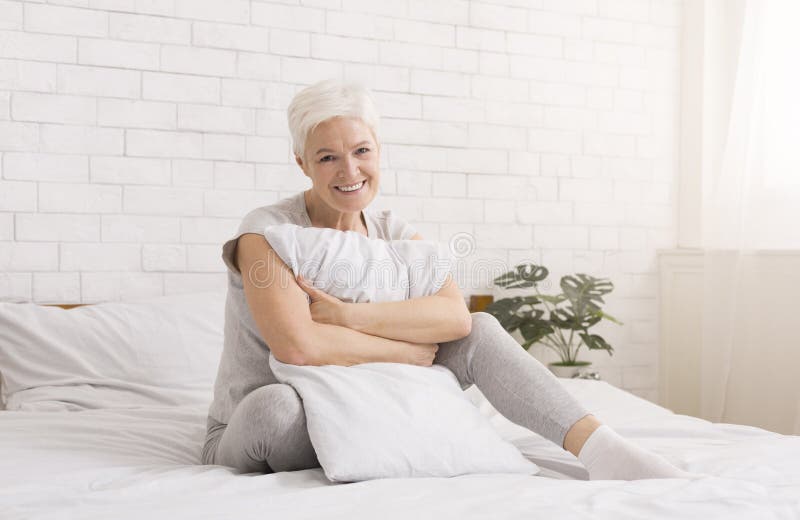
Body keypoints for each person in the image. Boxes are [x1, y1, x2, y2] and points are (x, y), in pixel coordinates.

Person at [201, 79, 695, 481]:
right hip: (277, 415)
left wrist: (348, 315)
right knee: (275, 408)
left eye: (361, 150)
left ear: (379, 152)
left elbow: (454, 318)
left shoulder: (393, 231)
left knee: (481, 329)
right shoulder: (266, 233)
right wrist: (401, 350)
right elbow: (299, 347)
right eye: (327, 156)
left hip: (372, 400)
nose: (348, 169)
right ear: (301, 163)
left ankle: (601, 449)